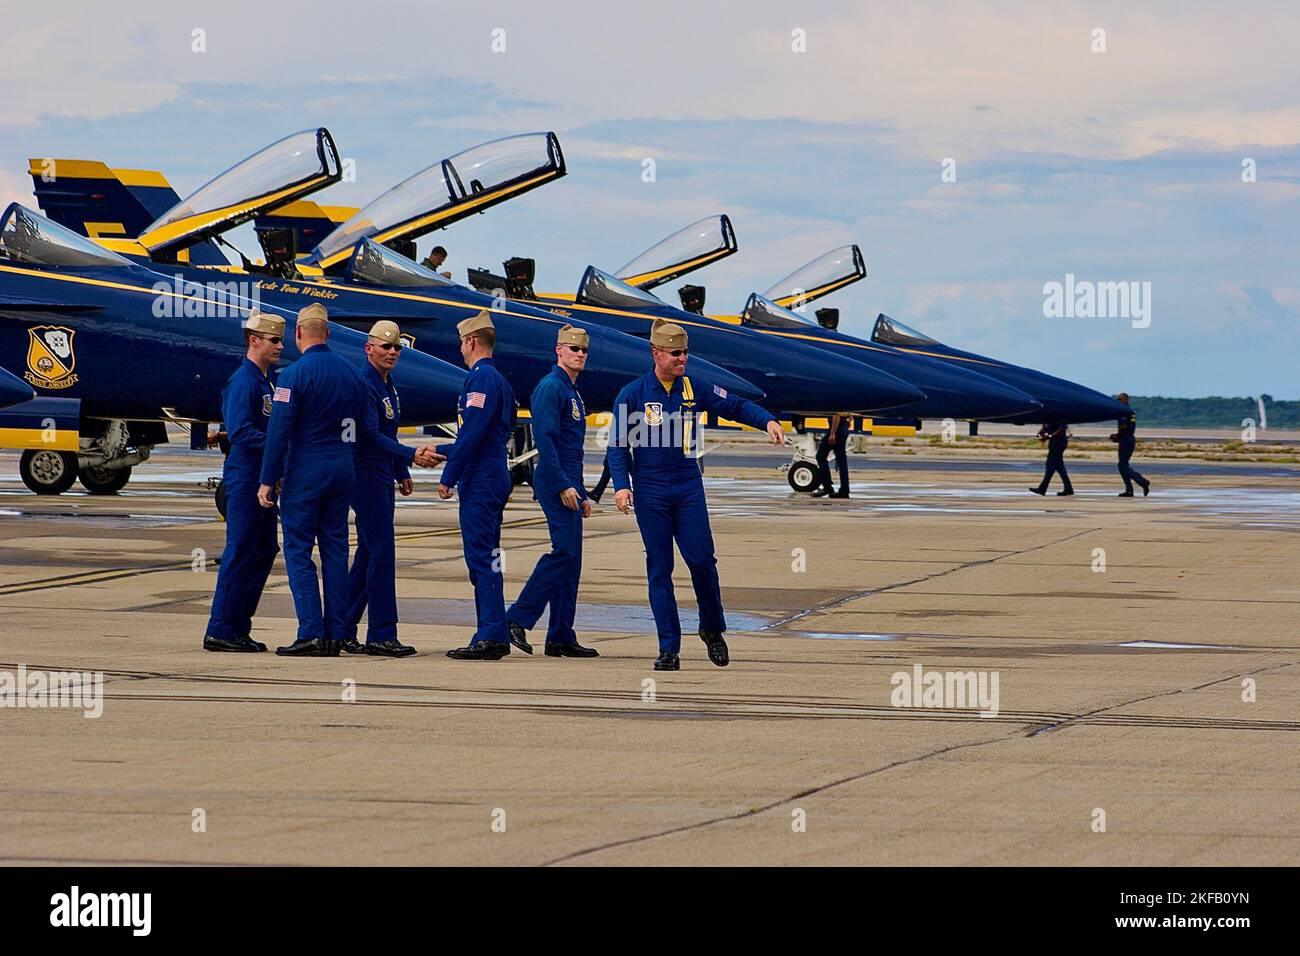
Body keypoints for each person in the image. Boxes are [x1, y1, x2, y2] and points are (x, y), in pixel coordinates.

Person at [608, 319, 785, 671]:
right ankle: (668, 648)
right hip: (651, 489)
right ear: (656, 353)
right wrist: (621, 485)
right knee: (660, 568)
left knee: (702, 560)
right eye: (675, 353)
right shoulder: (633, 395)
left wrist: (767, 420)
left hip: (688, 487)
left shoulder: (695, 388)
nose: (682, 359)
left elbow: (735, 406)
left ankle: (712, 628)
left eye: (686, 352)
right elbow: (617, 445)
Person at [257, 303, 367, 657]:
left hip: (306, 473)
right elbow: (364, 428)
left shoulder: (292, 376)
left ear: (298, 334)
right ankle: (337, 632)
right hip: (343, 470)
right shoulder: (353, 374)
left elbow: (279, 431)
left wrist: (267, 478)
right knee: (335, 550)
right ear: (328, 334)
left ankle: (310, 631)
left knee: (299, 550)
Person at [342, 320, 441, 658]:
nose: (393, 352)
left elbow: (389, 430)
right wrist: (411, 455)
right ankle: (382, 634)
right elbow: (369, 434)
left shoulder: (389, 384)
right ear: (368, 348)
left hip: (382, 474)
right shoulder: (364, 384)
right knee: (382, 553)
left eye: (397, 347)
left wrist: (401, 469)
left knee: (369, 553)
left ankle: (342, 627)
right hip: (364, 476)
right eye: (385, 346)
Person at [425, 311, 517, 660]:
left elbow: (473, 433)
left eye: (462, 343)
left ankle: (491, 634)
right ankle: (494, 629)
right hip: (492, 472)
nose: (461, 350)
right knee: (490, 557)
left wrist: (448, 476)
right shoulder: (498, 380)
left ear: (471, 341)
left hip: (482, 478)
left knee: (481, 557)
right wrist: (443, 450)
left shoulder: (481, 380)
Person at [506, 325, 599, 658]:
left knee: (571, 559)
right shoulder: (550, 387)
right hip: (554, 479)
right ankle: (517, 616)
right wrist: (563, 485)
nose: (580, 355)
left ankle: (561, 633)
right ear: (559, 350)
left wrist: (582, 491)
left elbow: (571, 447)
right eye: (574, 349)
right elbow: (545, 440)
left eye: (584, 351)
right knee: (564, 553)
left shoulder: (571, 391)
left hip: (569, 478)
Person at [203, 310, 284, 652]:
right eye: (274, 340)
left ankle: (239, 626)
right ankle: (221, 628)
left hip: (262, 479)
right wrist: (282, 444)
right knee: (240, 552)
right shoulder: (243, 381)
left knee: (264, 550)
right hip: (246, 478)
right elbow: (241, 432)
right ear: (254, 341)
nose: (281, 345)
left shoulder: (265, 380)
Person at [1111, 393, 1151, 497]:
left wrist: (1117, 436)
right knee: (1123, 465)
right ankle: (1129, 490)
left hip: (1126, 440)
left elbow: (1123, 428)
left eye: (1119, 399)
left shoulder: (1124, 412)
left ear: (1126, 400)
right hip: (1128, 439)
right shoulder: (1130, 411)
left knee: (1122, 466)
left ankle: (1142, 482)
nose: (1118, 401)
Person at [811, 413, 850, 498]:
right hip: (843, 427)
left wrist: (832, 433)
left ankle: (827, 487)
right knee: (841, 460)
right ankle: (844, 490)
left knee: (820, 456)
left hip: (836, 429)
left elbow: (836, 414)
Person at [1029, 423, 1073, 496]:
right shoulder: (1046, 423)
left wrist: (1049, 436)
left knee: (1050, 465)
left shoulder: (1055, 419)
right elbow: (1039, 435)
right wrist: (1042, 436)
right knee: (1059, 467)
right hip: (1054, 443)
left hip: (1058, 443)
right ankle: (1068, 489)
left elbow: (1062, 428)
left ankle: (1042, 489)